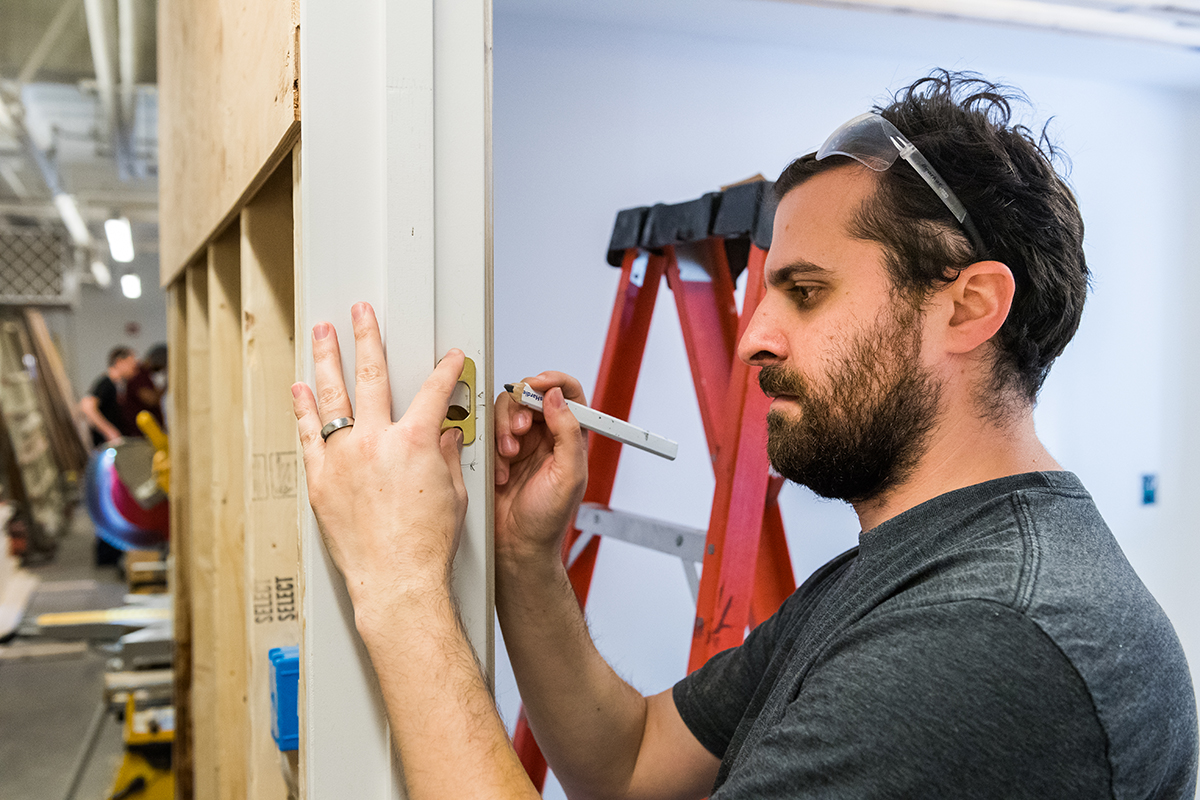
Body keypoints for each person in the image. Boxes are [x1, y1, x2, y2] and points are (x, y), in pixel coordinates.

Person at [292, 71, 1198, 799]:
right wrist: (527, 554)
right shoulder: (912, 567)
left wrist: (401, 585)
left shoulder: (987, 641)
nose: (753, 334)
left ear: (969, 307)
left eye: (805, 292)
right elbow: (633, 764)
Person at [81, 346, 141, 447]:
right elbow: (87, 407)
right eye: (131, 362)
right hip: (104, 446)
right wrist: (110, 432)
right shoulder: (106, 383)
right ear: (119, 362)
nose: (134, 367)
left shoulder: (117, 385)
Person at [122, 343, 168, 432]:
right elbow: (152, 400)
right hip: (140, 434)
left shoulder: (147, 376)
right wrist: (167, 384)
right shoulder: (138, 376)